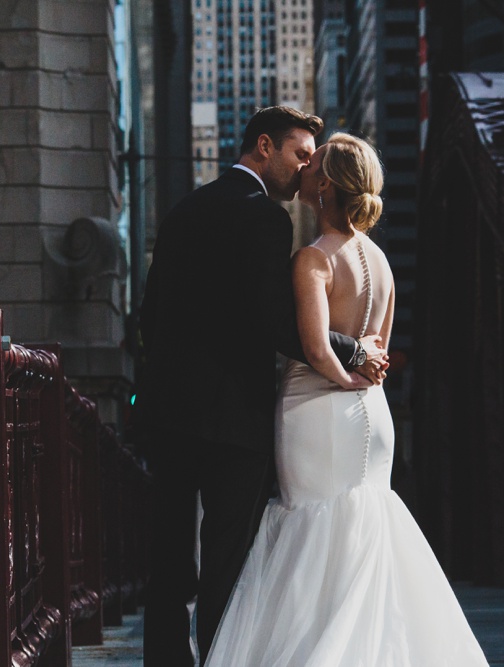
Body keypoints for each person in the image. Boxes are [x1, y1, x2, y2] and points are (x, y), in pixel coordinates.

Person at [204, 133, 488, 666]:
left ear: (325, 185)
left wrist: (341, 379)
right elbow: (376, 349)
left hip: (318, 413)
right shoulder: (381, 261)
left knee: (311, 533)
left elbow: (315, 348)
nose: (304, 169)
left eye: (313, 166)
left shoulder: (312, 260)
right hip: (373, 417)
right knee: (361, 538)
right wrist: (362, 383)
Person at [137, 107, 387, 666]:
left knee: (169, 560)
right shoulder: (266, 219)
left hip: (169, 414)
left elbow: (150, 316)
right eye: (301, 155)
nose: (306, 171)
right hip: (234, 422)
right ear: (265, 146)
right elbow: (278, 324)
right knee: (227, 562)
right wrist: (354, 350)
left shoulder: (184, 210)